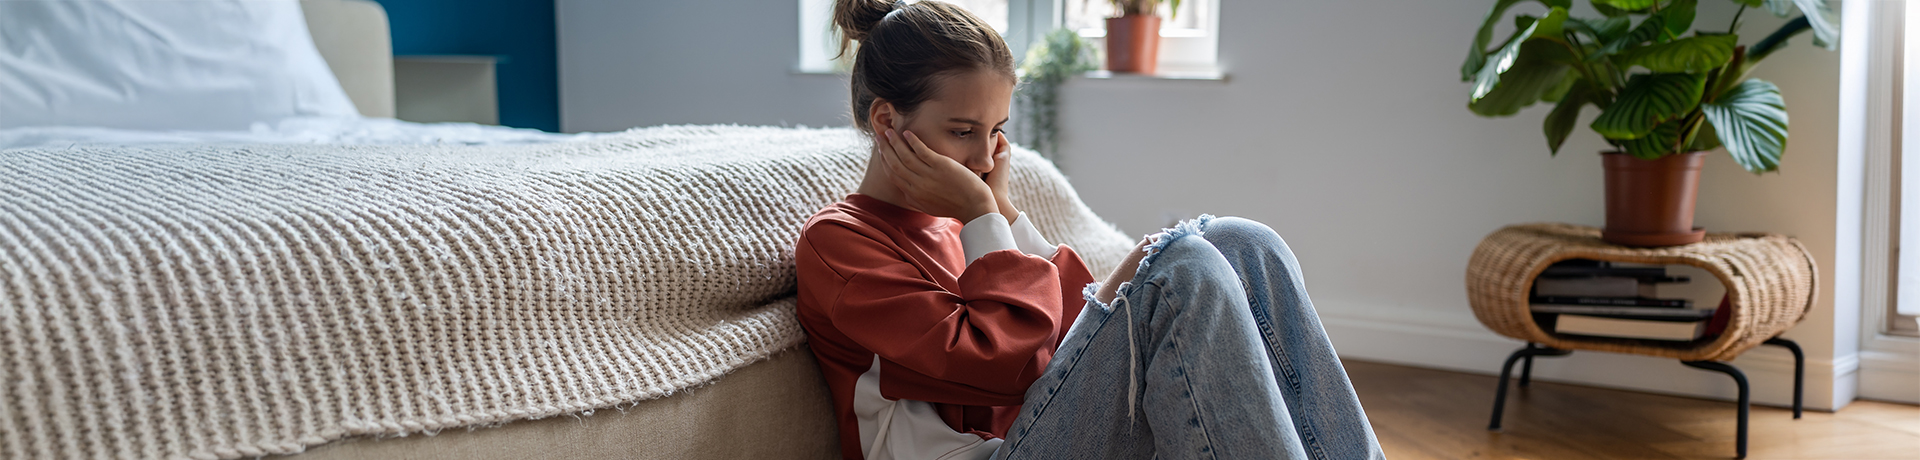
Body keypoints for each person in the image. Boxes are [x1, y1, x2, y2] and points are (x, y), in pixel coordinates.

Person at [793, 1, 1386, 458]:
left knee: (1241, 242)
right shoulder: (842, 244)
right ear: (886, 120)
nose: (984, 155)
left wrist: (996, 212)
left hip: (1043, 429)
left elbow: (1067, 329)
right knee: (1188, 270)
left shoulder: (965, 221)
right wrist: (983, 215)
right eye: (961, 130)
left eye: (996, 130)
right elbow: (1007, 366)